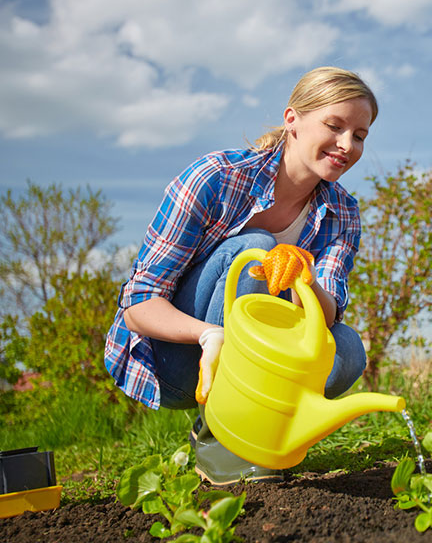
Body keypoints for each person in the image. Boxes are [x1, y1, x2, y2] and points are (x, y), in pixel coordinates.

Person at [105, 66, 378, 484]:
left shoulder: (343, 212)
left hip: (255, 364)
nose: (346, 144)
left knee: (347, 349)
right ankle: (219, 436)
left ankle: (254, 429)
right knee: (255, 249)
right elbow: (138, 305)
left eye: (358, 135)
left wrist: (304, 277)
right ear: (293, 120)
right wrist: (209, 334)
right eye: (334, 126)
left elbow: (325, 315)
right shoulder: (215, 178)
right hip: (182, 359)